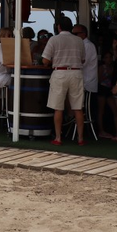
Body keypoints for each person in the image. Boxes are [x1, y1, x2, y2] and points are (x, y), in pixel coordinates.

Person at [42, 16, 86, 146]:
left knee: (58, 108)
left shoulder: (54, 39)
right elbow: (83, 59)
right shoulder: (79, 40)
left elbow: (45, 60)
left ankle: (58, 137)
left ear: (58, 27)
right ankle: (80, 138)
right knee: (78, 108)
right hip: (76, 72)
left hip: (60, 73)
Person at [72, 24, 98, 128]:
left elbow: (82, 63)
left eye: (75, 34)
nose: (73, 36)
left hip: (87, 83)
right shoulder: (82, 45)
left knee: (82, 109)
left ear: (83, 34)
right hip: (83, 82)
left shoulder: (88, 45)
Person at [96, 50, 116, 138]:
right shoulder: (102, 67)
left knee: (115, 109)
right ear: (103, 59)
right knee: (101, 110)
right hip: (102, 89)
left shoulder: (113, 67)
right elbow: (99, 79)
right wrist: (108, 75)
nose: (109, 59)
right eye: (107, 57)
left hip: (109, 89)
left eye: (110, 57)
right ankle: (101, 130)